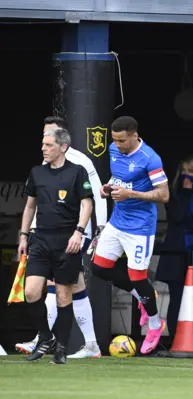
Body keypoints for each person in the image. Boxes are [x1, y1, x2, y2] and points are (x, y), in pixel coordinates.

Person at [15, 116, 106, 359]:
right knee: (36, 291)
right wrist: (25, 234)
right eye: (43, 139)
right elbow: (31, 206)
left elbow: (94, 199)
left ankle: (63, 345)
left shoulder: (80, 166)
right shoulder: (39, 170)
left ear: (62, 142)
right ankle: (50, 338)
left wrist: (94, 230)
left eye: (48, 139)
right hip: (42, 238)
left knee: (64, 290)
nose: (43, 145)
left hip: (72, 237)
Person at [90, 116, 170, 355]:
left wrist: (130, 194)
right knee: (99, 268)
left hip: (140, 227)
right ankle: (145, 297)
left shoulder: (150, 158)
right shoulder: (114, 149)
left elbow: (164, 195)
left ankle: (156, 325)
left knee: (137, 277)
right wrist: (108, 188)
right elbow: (119, 179)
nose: (117, 144)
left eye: (122, 140)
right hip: (117, 222)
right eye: (114, 140)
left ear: (135, 135)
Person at [155, 155, 193, 336]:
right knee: (176, 297)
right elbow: (177, 217)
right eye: (183, 171)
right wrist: (186, 195)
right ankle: (175, 338)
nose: (186, 175)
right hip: (175, 252)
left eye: (190, 171)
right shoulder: (173, 195)